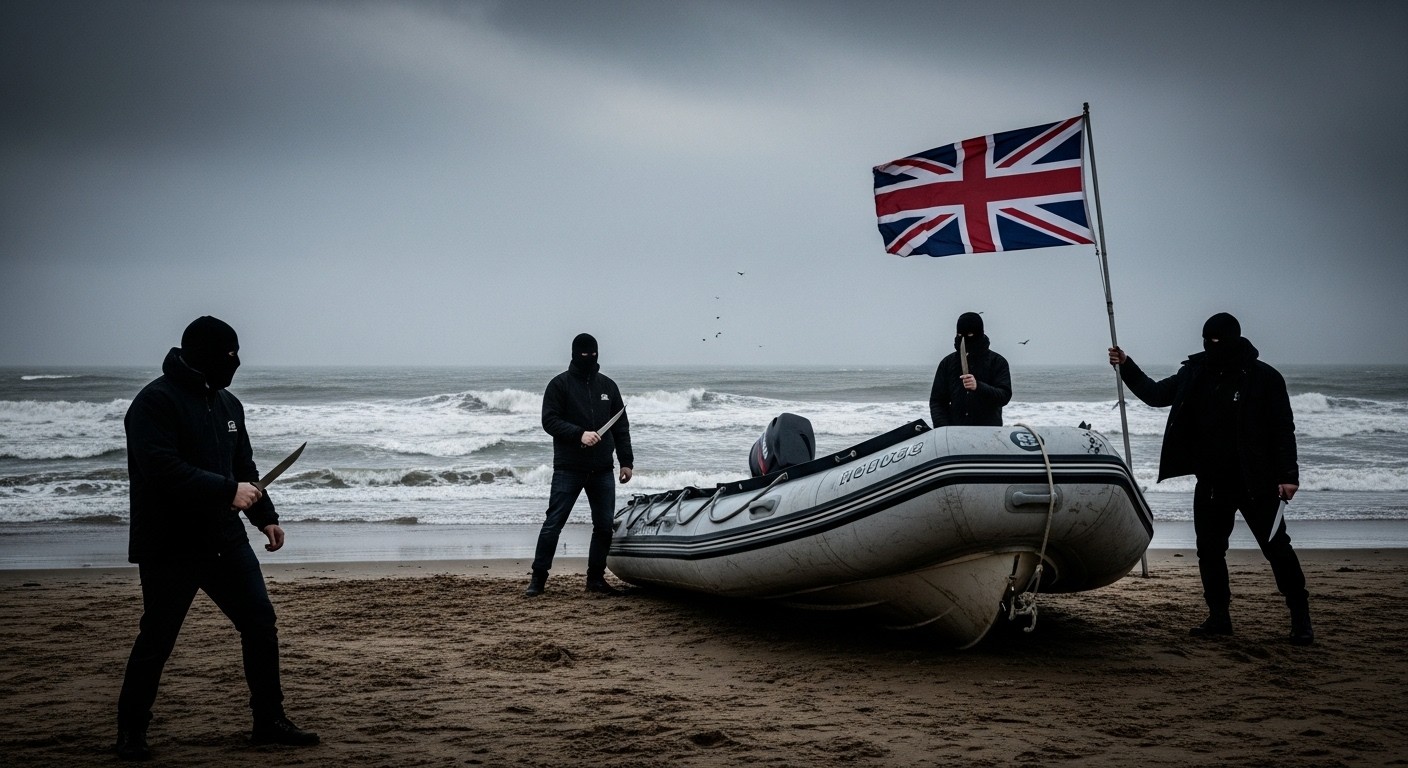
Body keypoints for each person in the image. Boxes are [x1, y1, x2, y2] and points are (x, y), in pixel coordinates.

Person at [116, 316, 318, 761]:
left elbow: (243, 467)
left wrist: (265, 517)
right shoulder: (154, 404)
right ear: (205, 355)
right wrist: (227, 491)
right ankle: (131, 733)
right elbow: (162, 468)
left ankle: (268, 720)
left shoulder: (229, 405)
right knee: (158, 639)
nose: (237, 362)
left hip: (226, 540)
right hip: (170, 544)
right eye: (229, 355)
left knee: (260, 625)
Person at [1109, 312, 1312, 646]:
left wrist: (1289, 475)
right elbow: (1156, 394)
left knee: (1277, 549)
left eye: (1217, 341)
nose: (1211, 347)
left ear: (1233, 339)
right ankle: (1219, 618)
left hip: (1257, 482)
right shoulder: (1195, 373)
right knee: (1209, 552)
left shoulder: (1264, 378)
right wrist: (1127, 365)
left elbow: (1282, 429)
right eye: (1207, 341)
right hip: (1212, 481)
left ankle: (1300, 618)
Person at [525, 333, 634, 597]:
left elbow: (621, 426)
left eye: (593, 353)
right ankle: (538, 580)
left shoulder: (608, 386)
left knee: (604, 525)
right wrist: (579, 434)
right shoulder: (559, 385)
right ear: (575, 354)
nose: (589, 358)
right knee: (554, 522)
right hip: (569, 468)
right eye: (584, 353)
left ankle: (595, 580)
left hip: (602, 470)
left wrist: (626, 462)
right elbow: (549, 421)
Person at [929, 311, 1012, 427]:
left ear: (979, 334)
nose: (963, 340)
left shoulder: (997, 361)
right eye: (959, 335)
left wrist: (978, 386)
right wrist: (944, 429)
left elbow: (1004, 396)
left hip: (989, 432)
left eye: (969, 335)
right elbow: (937, 401)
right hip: (955, 432)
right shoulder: (947, 363)